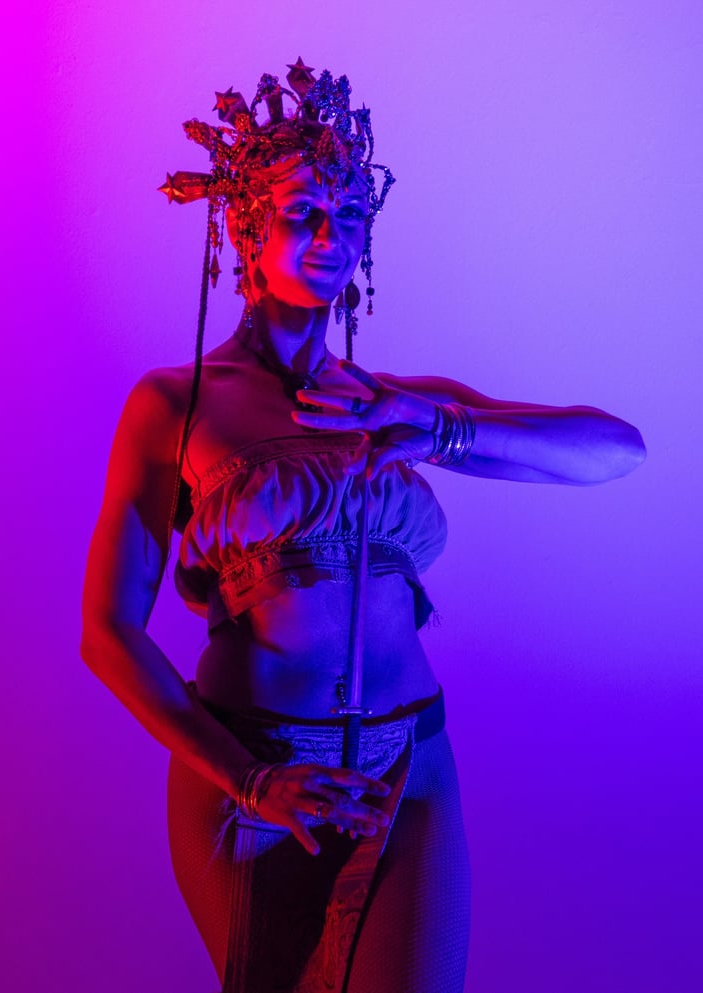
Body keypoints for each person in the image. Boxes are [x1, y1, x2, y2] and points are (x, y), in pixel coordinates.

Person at [80, 60, 646, 993]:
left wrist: (439, 429)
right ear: (245, 226)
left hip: (410, 764)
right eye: (302, 211)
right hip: (258, 769)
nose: (330, 236)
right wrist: (248, 778)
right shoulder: (175, 403)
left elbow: (616, 450)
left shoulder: (396, 402)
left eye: (349, 215)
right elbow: (107, 632)